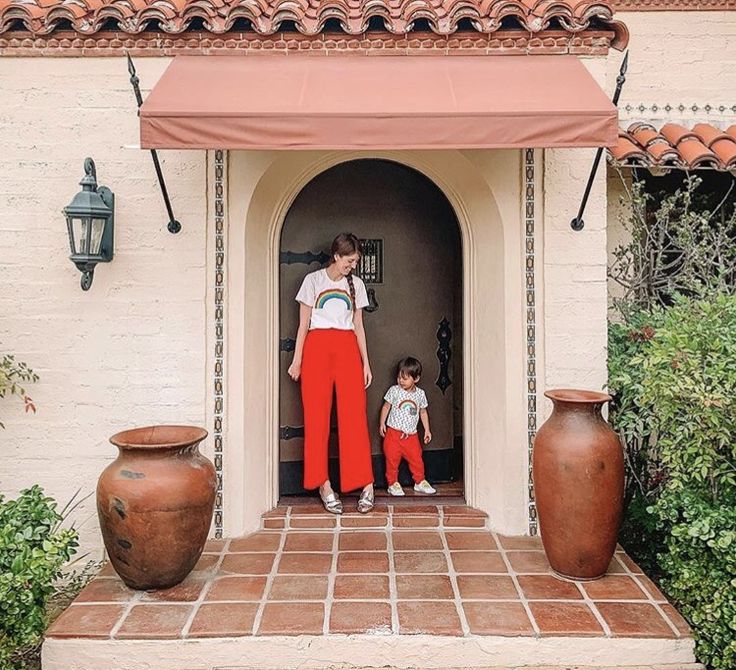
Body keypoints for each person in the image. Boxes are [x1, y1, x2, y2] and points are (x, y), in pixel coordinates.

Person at [288, 233, 375, 514]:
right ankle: (323, 484)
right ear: (337, 256)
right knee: (316, 418)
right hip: (316, 349)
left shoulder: (356, 285)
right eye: (350, 260)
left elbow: (359, 326)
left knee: (353, 416)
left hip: (347, 349)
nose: (353, 265)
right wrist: (297, 360)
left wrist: (366, 362)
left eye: (356, 261)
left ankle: (366, 483)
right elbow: (303, 325)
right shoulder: (312, 281)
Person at [379, 357, 437, 496]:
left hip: (411, 435)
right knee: (392, 460)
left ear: (416, 379)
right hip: (393, 433)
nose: (401, 381)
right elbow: (386, 407)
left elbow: (423, 412)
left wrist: (427, 430)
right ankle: (393, 483)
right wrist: (382, 423)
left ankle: (420, 481)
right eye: (399, 377)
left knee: (416, 458)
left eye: (405, 378)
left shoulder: (420, 394)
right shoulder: (394, 390)